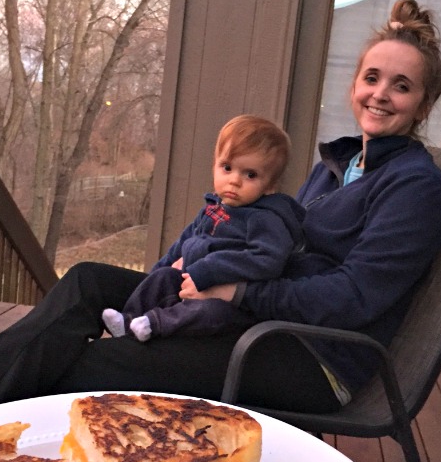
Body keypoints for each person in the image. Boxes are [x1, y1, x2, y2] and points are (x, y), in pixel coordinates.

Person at [0, 0, 441, 430]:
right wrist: (177, 275)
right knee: (85, 282)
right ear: (355, 85)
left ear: (423, 104)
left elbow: (353, 300)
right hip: (256, 319)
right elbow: (273, 241)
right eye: (371, 78)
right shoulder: (339, 164)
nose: (380, 94)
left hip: (312, 357)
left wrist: (236, 295)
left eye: (401, 87)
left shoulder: (415, 188)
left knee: (97, 366)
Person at [101, 115, 304, 342]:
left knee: (209, 313)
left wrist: (209, 270)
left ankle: (153, 324)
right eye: (227, 168)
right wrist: (159, 270)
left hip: (231, 304)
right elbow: (181, 244)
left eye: (250, 175)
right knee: (163, 277)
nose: (234, 180)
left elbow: (267, 259)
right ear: (214, 165)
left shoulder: (266, 219)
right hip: (191, 282)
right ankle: (127, 322)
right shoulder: (212, 209)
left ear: (270, 186)